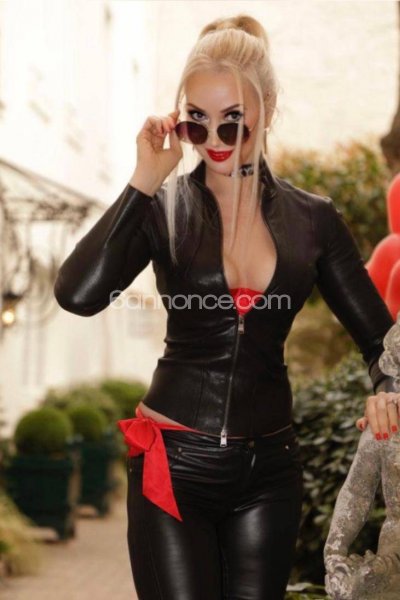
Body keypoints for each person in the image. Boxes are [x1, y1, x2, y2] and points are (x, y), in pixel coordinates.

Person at [53, 13, 400, 600]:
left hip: (270, 473)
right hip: (173, 465)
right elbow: (77, 294)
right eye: (197, 122)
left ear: (266, 109)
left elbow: (382, 343)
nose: (213, 140)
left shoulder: (312, 220)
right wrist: (142, 181)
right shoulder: (162, 209)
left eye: (232, 122)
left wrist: (388, 388)